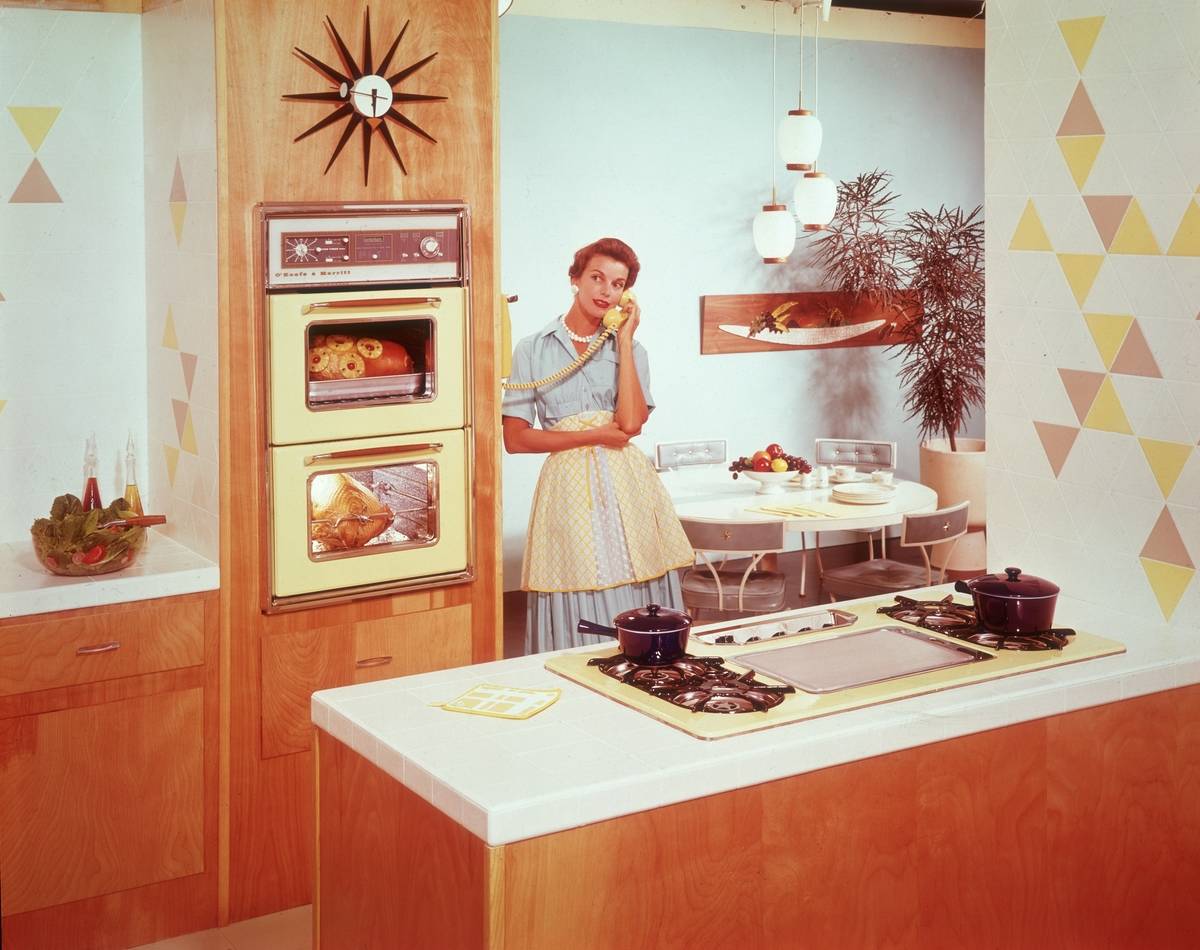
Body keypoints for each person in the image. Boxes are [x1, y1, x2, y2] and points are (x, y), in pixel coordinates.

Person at [502, 237, 695, 654]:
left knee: (636, 572)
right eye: (597, 278)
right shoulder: (532, 349)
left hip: (626, 485)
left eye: (617, 283)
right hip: (567, 487)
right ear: (575, 278)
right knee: (576, 575)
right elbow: (515, 439)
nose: (605, 291)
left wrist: (623, 341)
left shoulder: (633, 350)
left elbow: (628, 424)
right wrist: (593, 435)